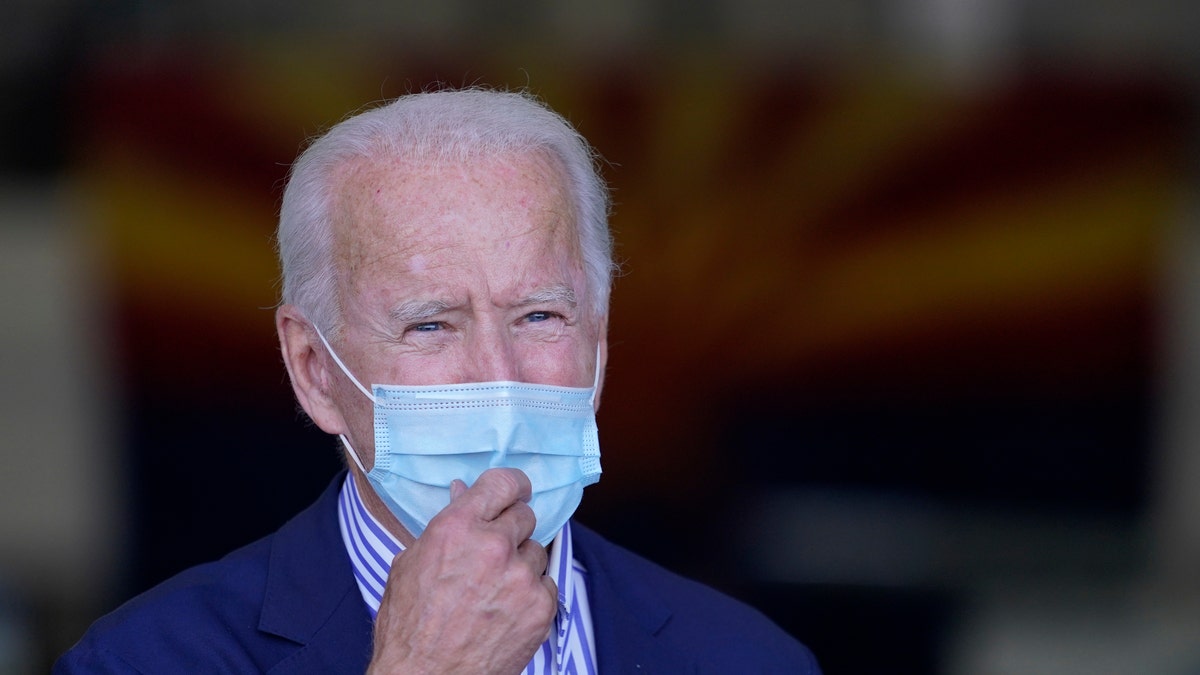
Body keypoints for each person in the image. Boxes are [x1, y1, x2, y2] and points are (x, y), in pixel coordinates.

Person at [55, 88, 822, 674]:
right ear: (314, 369)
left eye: (541, 316)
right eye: (430, 324)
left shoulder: (749, 657)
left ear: (602, 337)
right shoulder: (149, 657)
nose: (498, 375)